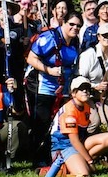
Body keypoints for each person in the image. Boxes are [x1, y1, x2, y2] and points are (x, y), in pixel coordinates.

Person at [26, 14, 82, 162]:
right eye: (72, 24)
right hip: (43, 85)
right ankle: (38, 158)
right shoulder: (49, 38)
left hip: (62, 88)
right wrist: (49, 70)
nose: (75, 28)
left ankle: (55, 155)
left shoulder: (75, 41)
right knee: (42, 123)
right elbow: (31, 58)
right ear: (63, 22)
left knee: (56, 124)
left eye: (78, 26)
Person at [46, 76, 108, 177]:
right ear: (73, 93)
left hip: (79, 142)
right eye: (81, 89)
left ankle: (78, 161)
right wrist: (90, 161)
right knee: (84, 174)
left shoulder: (86, 107)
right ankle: (59, 169)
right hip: (64, 146)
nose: (85, 91)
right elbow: (74, 141)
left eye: (87, 88)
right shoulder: (69, 112)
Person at [79, 23, 108, 97]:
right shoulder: (89, 54)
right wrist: (95, 86)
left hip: (106, 95)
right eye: (104, 35)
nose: (107, 38)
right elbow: (81, 78)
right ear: (98, 37)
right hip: (89, 95)